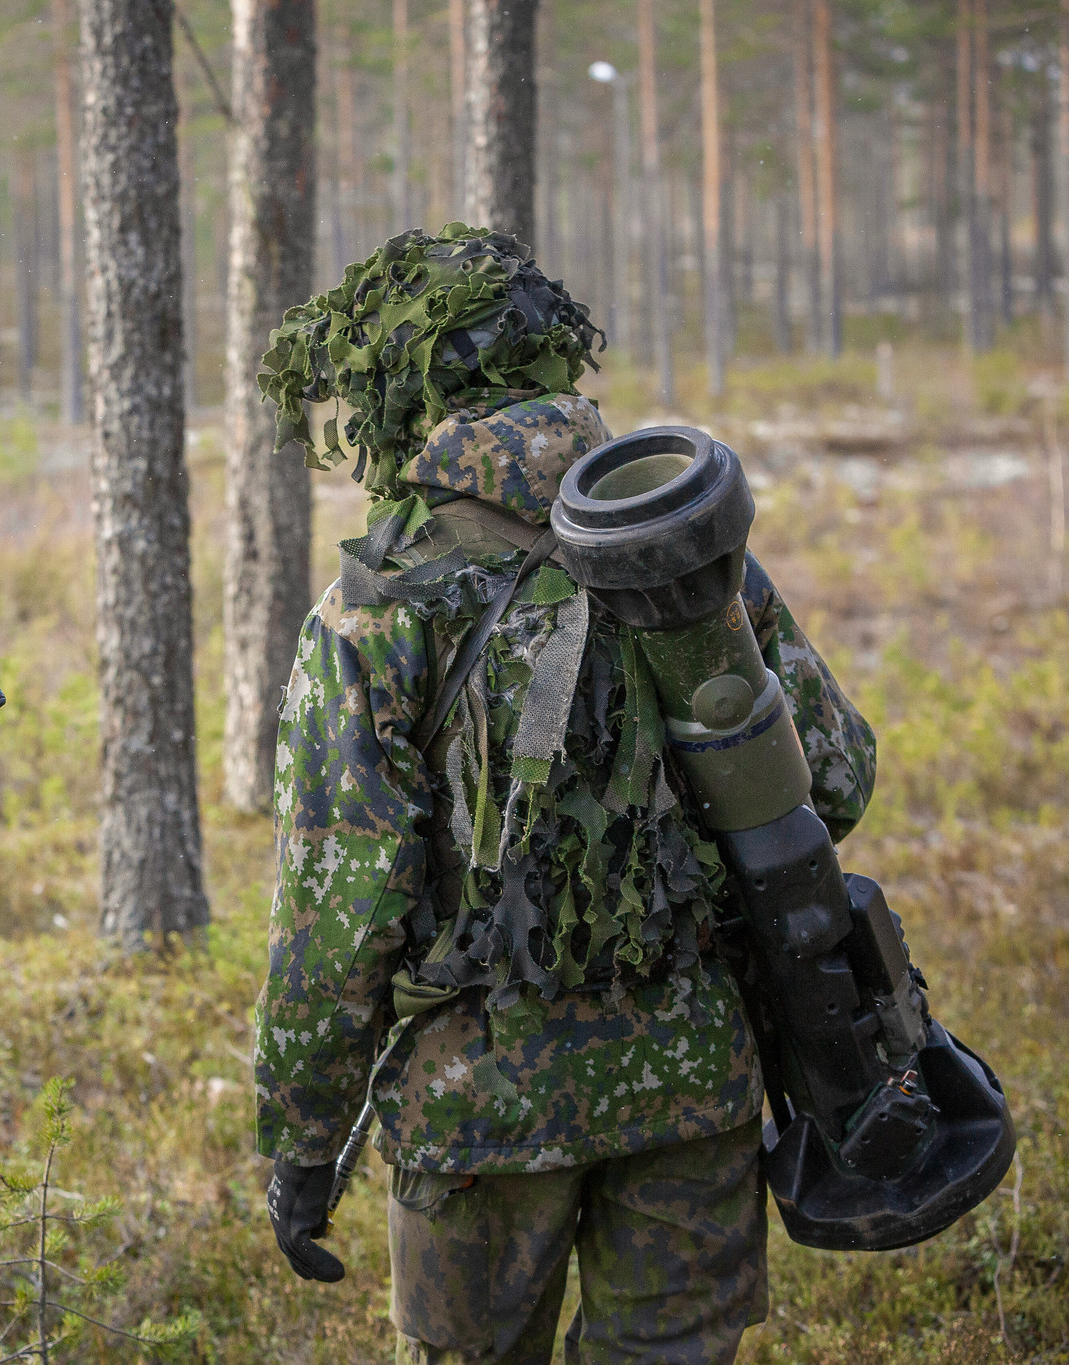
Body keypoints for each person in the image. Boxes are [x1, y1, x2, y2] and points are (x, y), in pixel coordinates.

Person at [252, 224, 878, 1363]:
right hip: (690, 1076)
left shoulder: (379, 603)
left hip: (482, 1102)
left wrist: (301, 1138)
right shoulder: (678, 545)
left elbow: (333, 915)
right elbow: (834, 782)